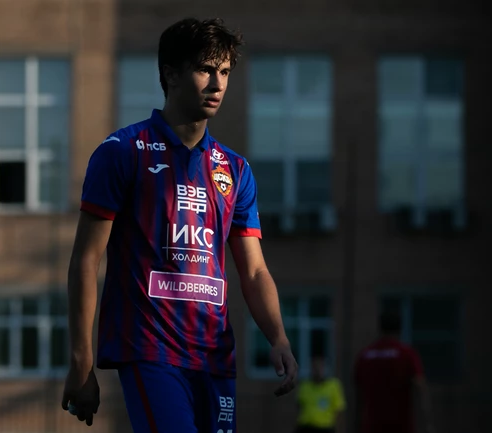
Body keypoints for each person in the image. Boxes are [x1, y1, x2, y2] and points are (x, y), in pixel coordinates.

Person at [61, 17, 298, 433]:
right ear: (170, 74)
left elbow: (255, 270)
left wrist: (278, 337)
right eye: (206, 69)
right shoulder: (123, 152)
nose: (218, 84)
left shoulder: (235, 169)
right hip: (150, 350)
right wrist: (81, 361)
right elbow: (85, 260)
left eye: (225, 71)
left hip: (215, 356)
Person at [354, 311, 434, 433]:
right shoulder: (406, 354)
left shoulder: (365, 356)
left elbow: (358, 396)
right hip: (401, 426)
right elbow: (419, 386)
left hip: (372, 426)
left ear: (380, 329)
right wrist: (427, 424)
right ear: (400, 329)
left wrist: (356, 425)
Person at [294, 355, 345, 433]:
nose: (317, 370)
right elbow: (299, 407)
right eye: (314, 367)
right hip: (306, 427)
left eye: (320, 367)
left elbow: (339, 410)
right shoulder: (305, 386)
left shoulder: (333, 386)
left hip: (325, 428)